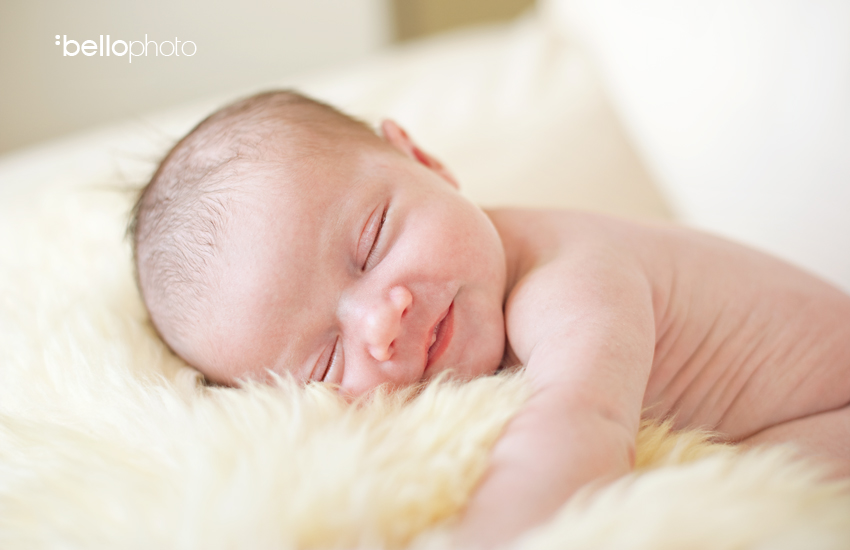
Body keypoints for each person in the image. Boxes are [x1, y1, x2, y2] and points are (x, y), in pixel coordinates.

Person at [131, 90, 850, 547]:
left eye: (372, 243)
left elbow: (582, 424)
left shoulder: (567, 279)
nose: (381, 322)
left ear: (424, 159)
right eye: (325, 359)